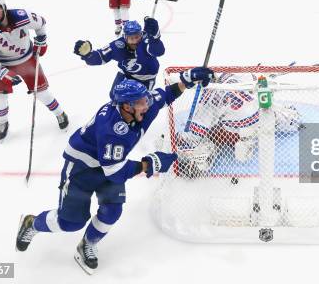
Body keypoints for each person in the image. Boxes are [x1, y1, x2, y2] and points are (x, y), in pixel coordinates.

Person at [15, 69, 214, 274]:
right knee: (69, 223)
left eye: (145, 100)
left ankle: (87, 244)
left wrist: (187, 79)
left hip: (110, 163)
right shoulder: (112, 129)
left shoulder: (135, 105)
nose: (146, 104)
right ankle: (33, 223)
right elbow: (115, 173)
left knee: (112, 211)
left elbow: (165, 95)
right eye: (141, 103)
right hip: (82, 169)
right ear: (127, 106)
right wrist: (150, 163)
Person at [0, 0, 68, 140]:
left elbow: (41, 23)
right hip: (3, 64)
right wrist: (0, 70)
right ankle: (2, 123)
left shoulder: (22, 15)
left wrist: (41, 39)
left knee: (41, 93)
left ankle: (60, 113)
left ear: (4, 7)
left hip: (27, 60)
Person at [175, 72, 301, 177]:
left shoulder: (205, 103)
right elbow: (256, 79)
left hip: (245, 123)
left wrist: (185, 137)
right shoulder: (232, 75)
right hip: (258, 113)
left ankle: (247, 139)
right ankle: (285, 117)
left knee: (241, 153)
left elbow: (196, 132)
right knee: (282, 118)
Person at [73, 18, 164, 95]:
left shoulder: (147, 41)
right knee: (114, 96)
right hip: (126, 75)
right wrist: (88, 54)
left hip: (146, 78)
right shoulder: (118, 45)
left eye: (137, 37)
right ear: (125, 37)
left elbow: (159, 51)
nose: (135, 41)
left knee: (140, 105)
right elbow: (100, 57)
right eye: (131, 38)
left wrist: (155, 39)